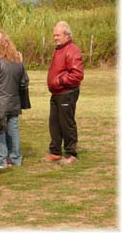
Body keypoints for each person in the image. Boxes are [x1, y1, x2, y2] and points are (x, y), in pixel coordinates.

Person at [0, 29, 29, 169]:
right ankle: (16, 159)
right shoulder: (18, 62)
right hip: (14, 102)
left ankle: (1, 160)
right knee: (13, 131)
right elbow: (24, 82)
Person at [42, 21, 84, 164]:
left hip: (67, 92)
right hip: (57, 93)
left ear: (67, 35)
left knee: (67, 123)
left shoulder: (72, 50)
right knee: (54, 123)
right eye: (54, 35)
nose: (55, 38)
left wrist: (59, 80)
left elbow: (77, 75)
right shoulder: (59, 49)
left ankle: (71, 154)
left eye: (58, 35)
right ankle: (55, 152)